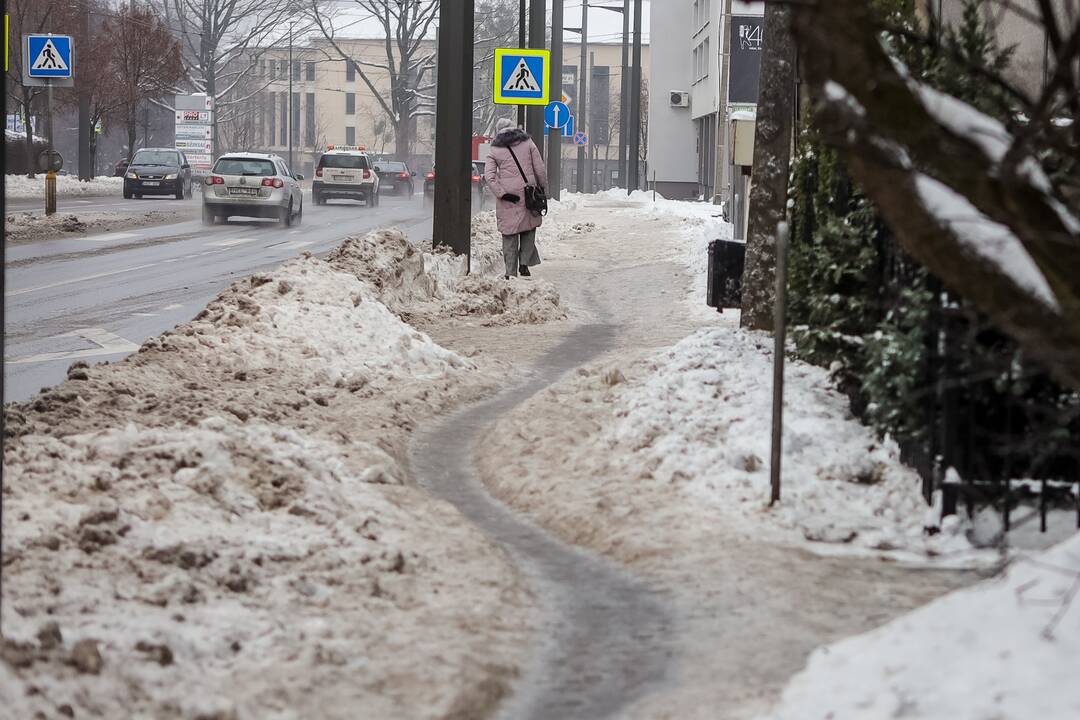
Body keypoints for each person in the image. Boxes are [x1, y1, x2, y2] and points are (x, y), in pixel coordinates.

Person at [485, 117, 547, 279]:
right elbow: (539, 167)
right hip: (529, 192)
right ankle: (524, 262)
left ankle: (510, 272)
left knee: (509, 233)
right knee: (529, 227)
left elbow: (489, 177)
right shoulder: (528, 143)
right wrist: (541, 186)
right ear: (513, 128)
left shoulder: (494, 149)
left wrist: (502, 193)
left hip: (508, 196)